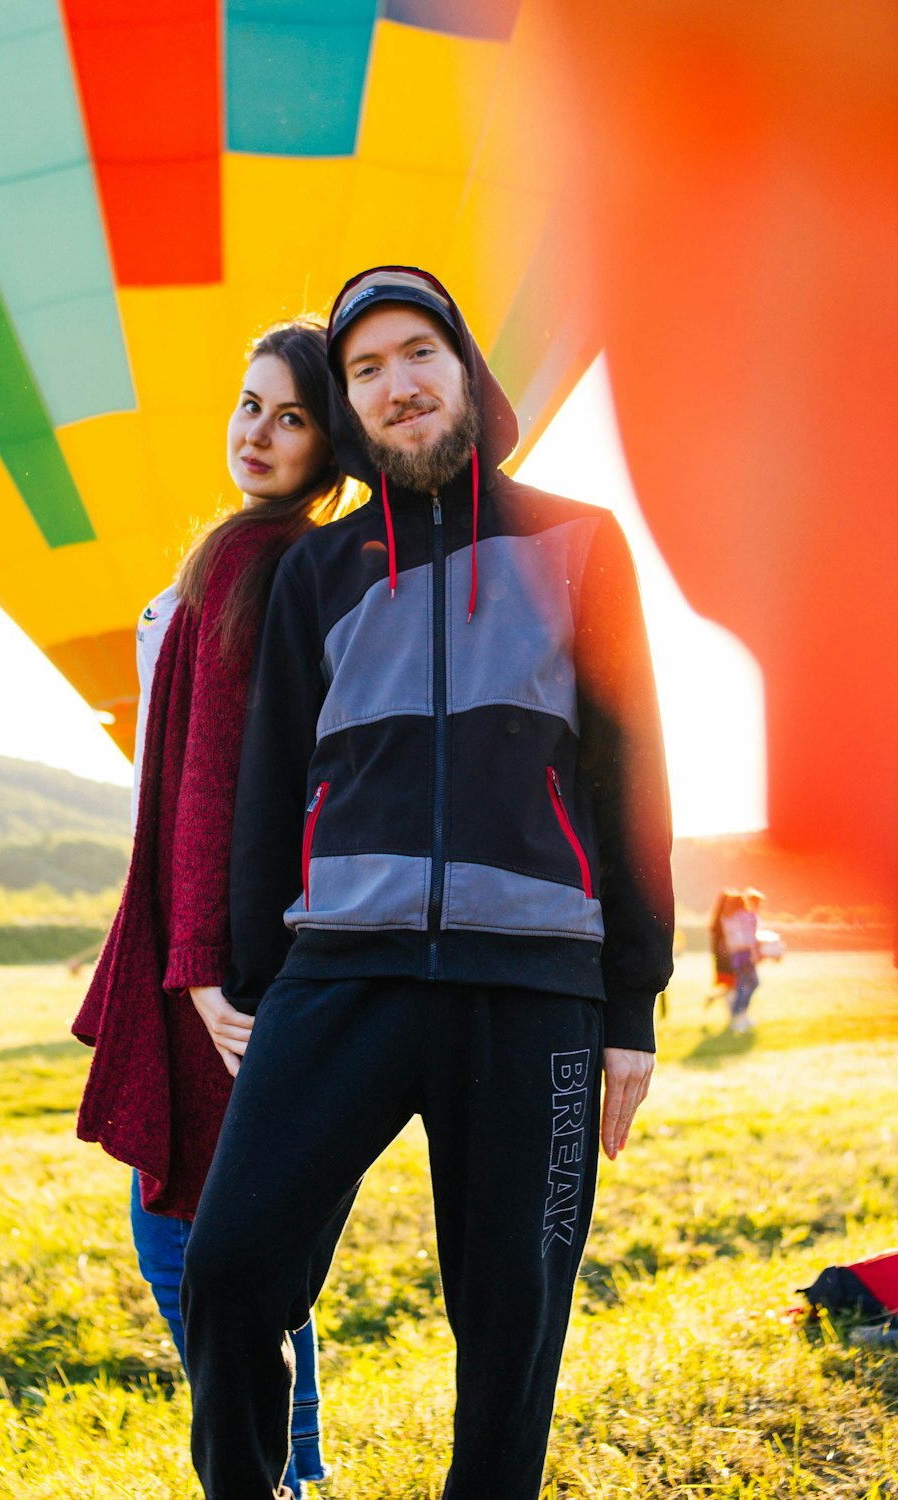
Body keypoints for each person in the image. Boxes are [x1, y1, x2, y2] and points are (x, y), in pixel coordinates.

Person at [181, 266, 675, 1500]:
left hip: (535, 986)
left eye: (417, 353)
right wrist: (253, 979)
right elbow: (266, 791)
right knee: (230, 1274)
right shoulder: (321, 574)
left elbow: (632, 775)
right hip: (341, 974)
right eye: (362, 370)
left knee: (511, 1335)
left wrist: (629, 1007)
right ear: (348, 407)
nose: (395, 384)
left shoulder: (580, 542)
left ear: (464, 371)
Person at [72, 319, 352, 1497]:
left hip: (221, 961)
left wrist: (192, 969)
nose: (257, 433)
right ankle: (300, 1470)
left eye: (291, 418)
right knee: (249, 1239)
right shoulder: (262, 554)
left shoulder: (256, 563)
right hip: (236, 943)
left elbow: (210, 782)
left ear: (327, 445)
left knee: (186, 1236)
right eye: (249, 405)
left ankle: (263, 1477)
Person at [720, 890, 760, 1032]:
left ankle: (739, 1014)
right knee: (753, 983)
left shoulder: (726, 918)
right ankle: (739, 1013)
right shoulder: (744, 916)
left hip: (735, 954)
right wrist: (754, 953)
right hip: (745, 952)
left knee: (742, 984)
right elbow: (749, 936)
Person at [705, 888, 737, 1009]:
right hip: (727, 958)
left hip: (720, 958)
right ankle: (732, 1013)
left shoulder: (717, 920)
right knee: (730, 985)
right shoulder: (725, 920)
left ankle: (713, 998)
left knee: (728, 985)